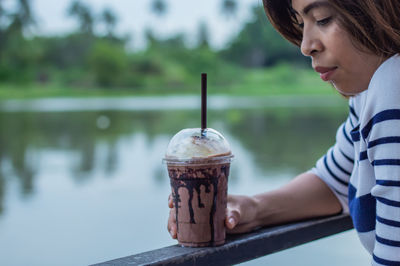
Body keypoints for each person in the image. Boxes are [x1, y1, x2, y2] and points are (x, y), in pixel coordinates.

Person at [168, 0, 400, 264]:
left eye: (323, 19)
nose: (306, 45)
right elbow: (334, 181)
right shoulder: (366, 93)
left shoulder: (392, 82)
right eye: (302, 24)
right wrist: (252, 208)